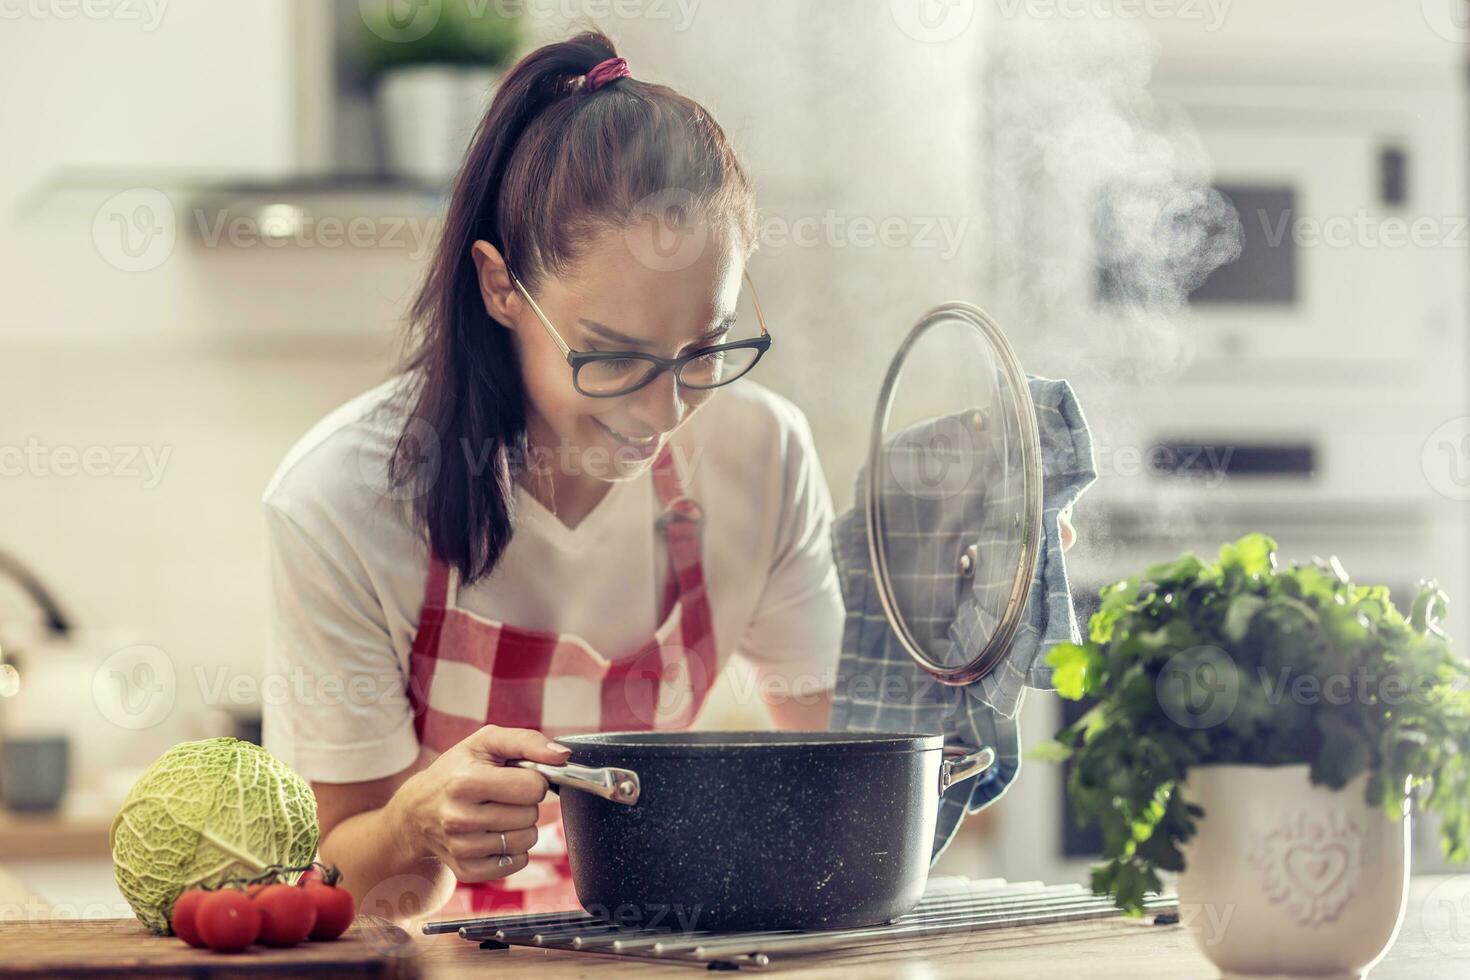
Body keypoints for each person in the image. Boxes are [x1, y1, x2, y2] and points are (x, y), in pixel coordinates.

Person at [261, 31, 843, 919]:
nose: (663, 415)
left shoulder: (761, 456)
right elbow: (331, 882)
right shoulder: (342, 500)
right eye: (611, 358)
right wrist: (413, 825)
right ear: (500, 287)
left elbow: (847, 783)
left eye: (704, 350)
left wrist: (959, 647)